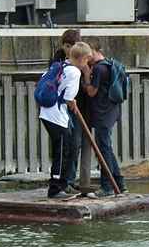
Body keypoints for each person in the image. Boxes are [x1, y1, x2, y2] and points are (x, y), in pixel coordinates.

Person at [39, 42, 92, 199]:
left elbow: (44, 80)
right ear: (82, 59)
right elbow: (69, 97)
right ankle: (55, 188)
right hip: (56, 116)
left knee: (65, 149)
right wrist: (72, 101)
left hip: (47, 113)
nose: (87, 63)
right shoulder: (75, 72)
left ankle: (62, 185)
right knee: (62, 152)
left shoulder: (60, 66)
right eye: (87, 60)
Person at [80, 41, 127, 196]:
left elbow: (92, 92)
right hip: (111, 112)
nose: (86, 58)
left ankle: (106, 187)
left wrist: (86, 76)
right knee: (106, 148)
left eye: (88, 54)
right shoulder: (111, 64)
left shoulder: (99, 68)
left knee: (103, 150)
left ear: (94, 51)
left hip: (102, 114)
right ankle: (119, 183)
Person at [50, 29, 88, 194]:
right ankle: (60, 183)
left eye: (71, 45)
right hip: (62, 106)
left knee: (75, 144)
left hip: (77, 106)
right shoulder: (58, 58)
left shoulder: (82, 57)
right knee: (64, 146)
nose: (69, 49)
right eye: (66, 46)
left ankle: (69, 180)